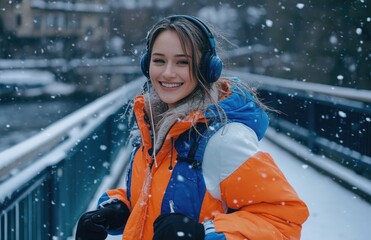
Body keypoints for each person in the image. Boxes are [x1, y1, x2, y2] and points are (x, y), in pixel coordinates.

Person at [75, 15, 309, 240]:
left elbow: (283, 221)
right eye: (159, 60)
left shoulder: (224, 139)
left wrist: (202, 234)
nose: (167, 73)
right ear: (146, 65)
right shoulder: (155, 129)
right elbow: (160, 194)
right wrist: (119, 209)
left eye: (182, 62)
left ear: (208, 69)